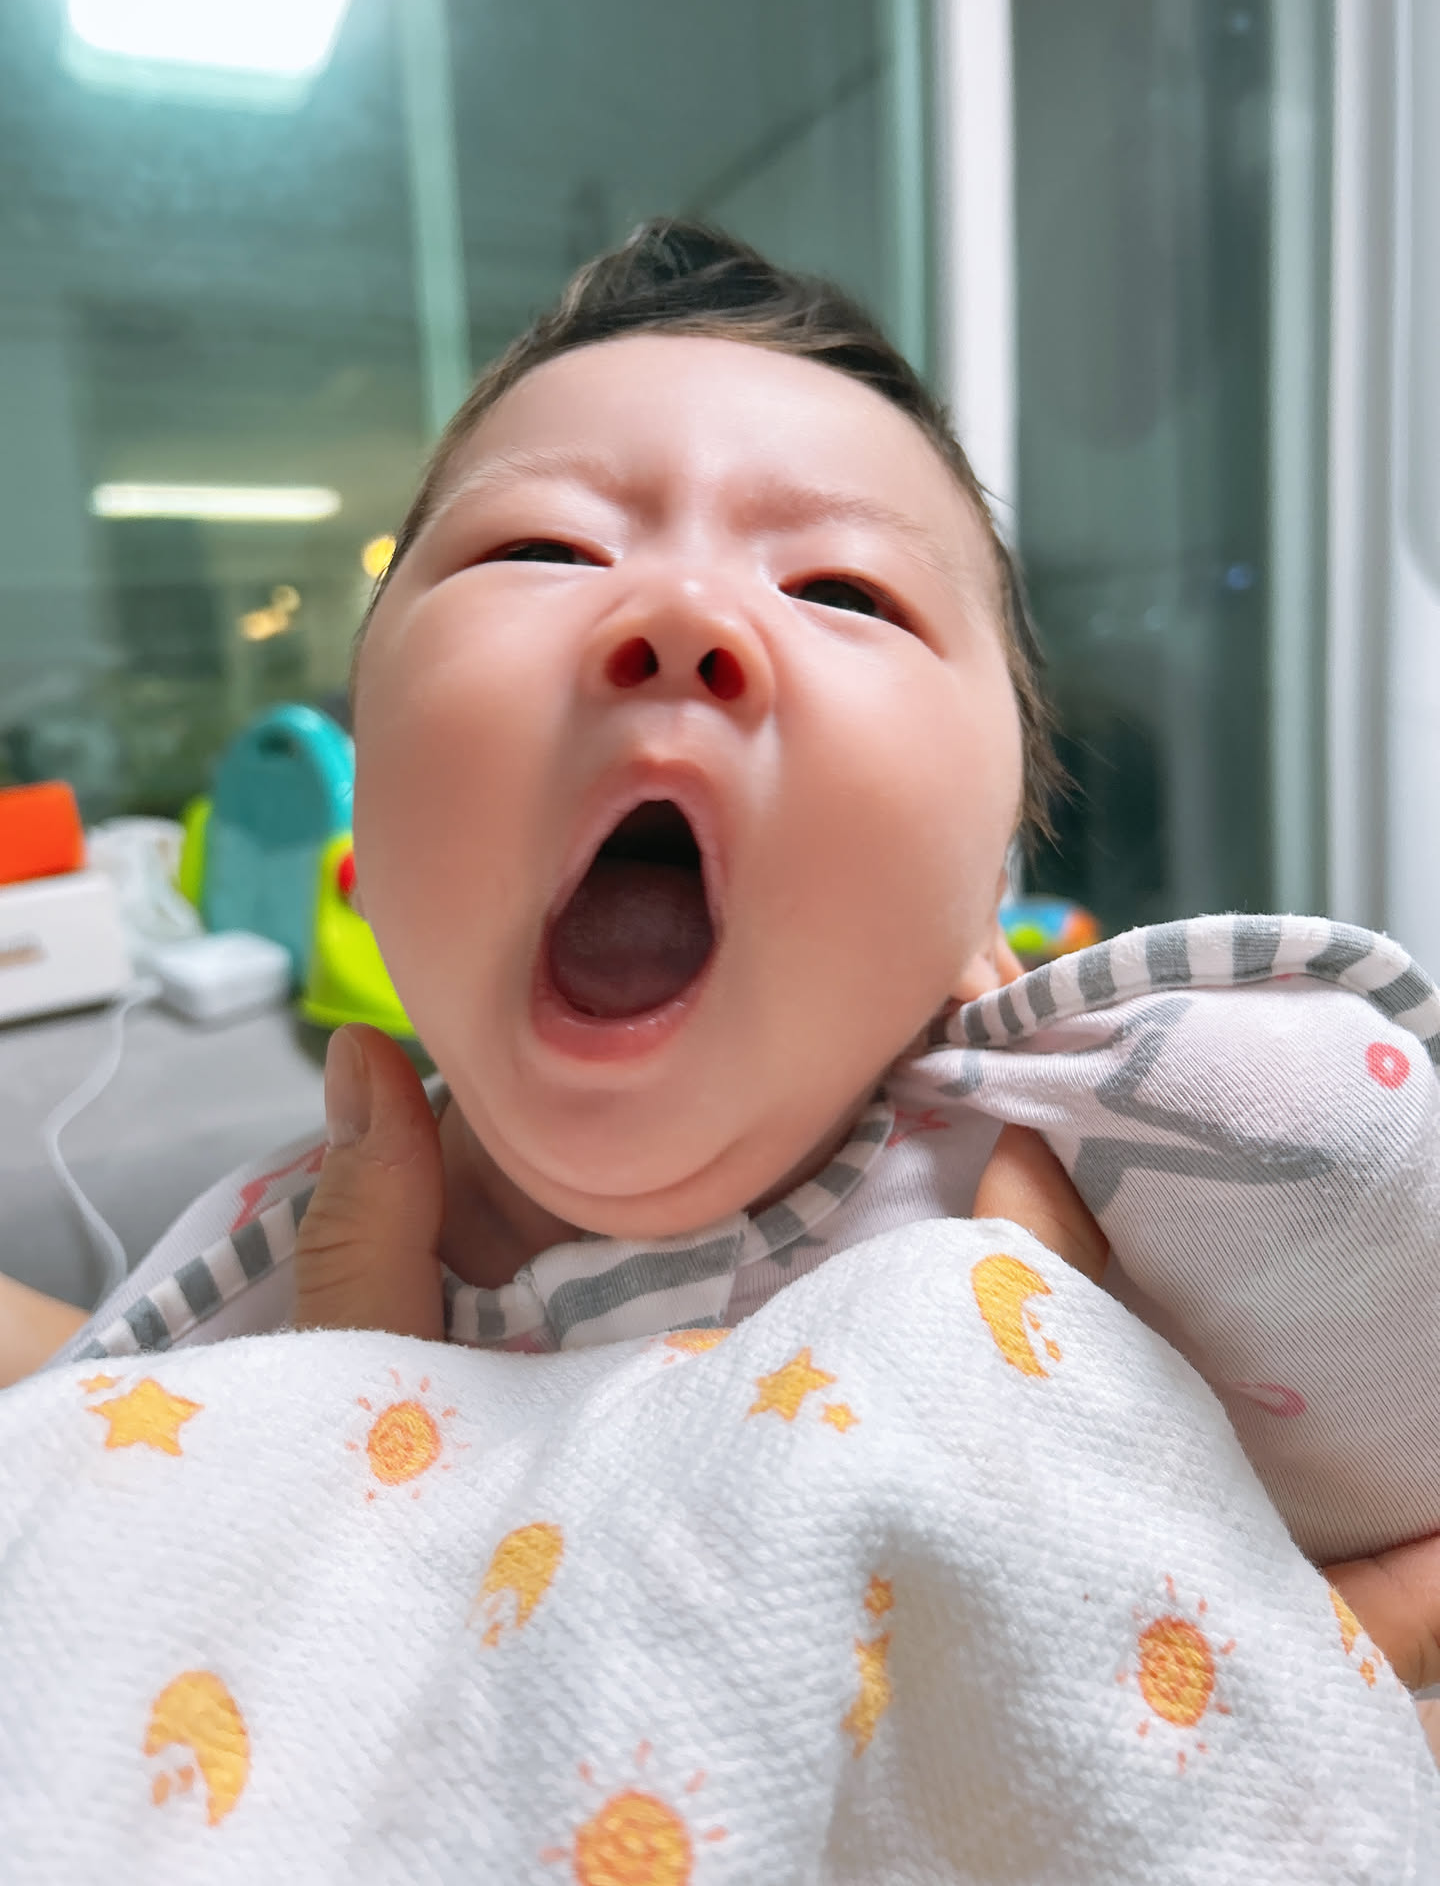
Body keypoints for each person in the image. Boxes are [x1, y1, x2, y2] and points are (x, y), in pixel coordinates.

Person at [5, 221, 1437, 1726]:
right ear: (374, 829)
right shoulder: (273, 1303)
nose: (681, 618)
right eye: (543, 550)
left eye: (845, 591)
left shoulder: (1151, 1166)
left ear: (985, 904)